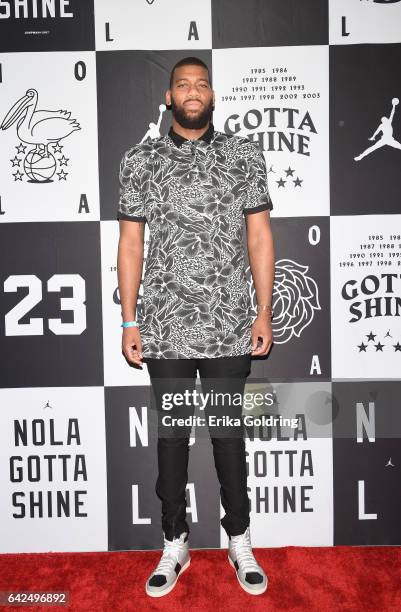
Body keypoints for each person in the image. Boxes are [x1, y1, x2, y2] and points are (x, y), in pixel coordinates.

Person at [117, 56, 275, 597]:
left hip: (231, 321)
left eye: (200, 84)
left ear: (212, 95)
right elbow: (131, 243)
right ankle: (174, 542)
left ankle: (239, 538)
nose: (191, 91)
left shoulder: (242, 155)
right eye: (182, 84)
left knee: (229, 438)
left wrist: (262, 309)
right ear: (168, 97)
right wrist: (130, 319)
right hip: (163, 323)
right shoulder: (140, 160)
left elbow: (258, 236)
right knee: (172, 441)